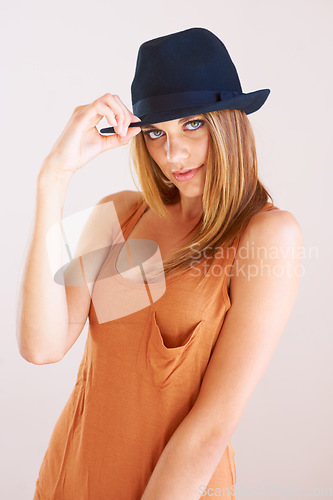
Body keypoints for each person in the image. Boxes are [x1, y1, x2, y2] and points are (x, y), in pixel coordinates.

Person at [17, 27, 303, 499]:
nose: (173, 154)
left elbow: (213, 424)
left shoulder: (266, 236)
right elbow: (41, 346)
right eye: (156, 133)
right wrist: (54, 176)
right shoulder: (121, 214)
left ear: (228, 122)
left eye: (192, 124)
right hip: (71, 478)